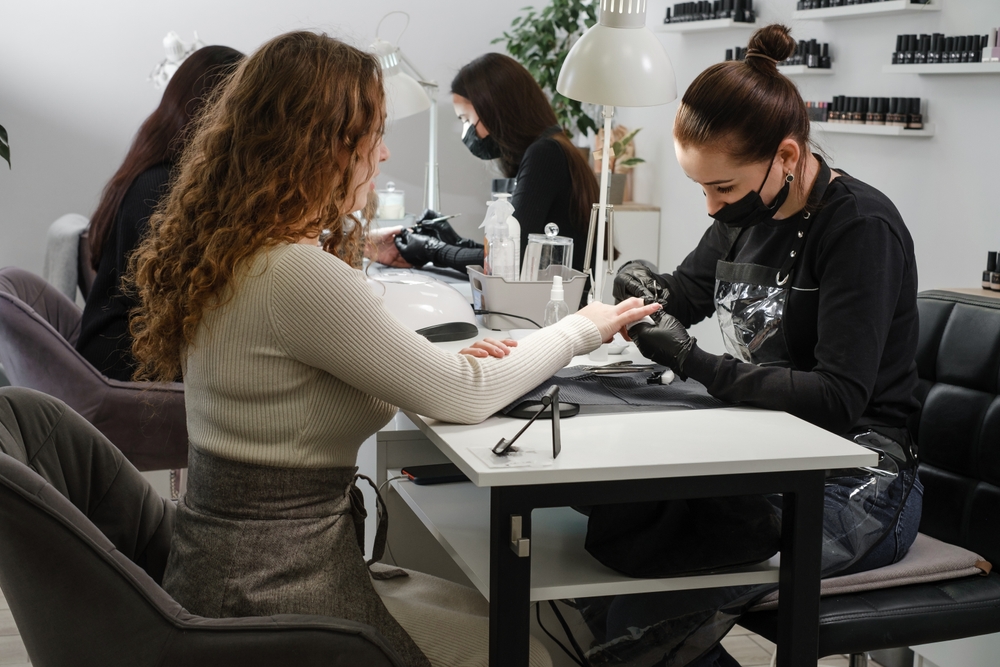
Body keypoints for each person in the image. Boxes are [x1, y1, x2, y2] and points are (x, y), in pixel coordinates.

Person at [126, 31, 659, 667]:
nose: (381, 156)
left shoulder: (239, 252)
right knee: (527, 650)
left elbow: (340, 359)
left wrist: (423, 361)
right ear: (320, 145)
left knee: (487, 613)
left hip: (231, 566)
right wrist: (583, 329)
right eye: (372, 135)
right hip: (271, 592)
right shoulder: (296, 274)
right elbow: (463, 397)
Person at [592, 24, 924, 666]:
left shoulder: (859, 228)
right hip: (767, 454)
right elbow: (679, 297)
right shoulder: (745, 219)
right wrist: (637, 283)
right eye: (702, 189)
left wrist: (691, 361)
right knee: (597, 580)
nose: (712, 208)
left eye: (724, 188)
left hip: (858, 479)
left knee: (638, 619)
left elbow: (835, 400)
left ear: (789, 157)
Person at [77, 45, 245, 381]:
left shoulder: (159, 173)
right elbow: (183, 295)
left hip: (136, 345)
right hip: (125, 360)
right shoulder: (161, 185)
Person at [393, 53, 600, 275]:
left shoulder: (545, 155)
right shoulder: (553, 147)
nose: (467, 132)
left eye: (467, 120)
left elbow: (506, 261)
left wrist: (433, 250)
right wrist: (455, 241)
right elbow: (509, 251)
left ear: (494, 111)